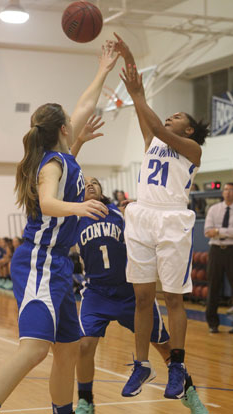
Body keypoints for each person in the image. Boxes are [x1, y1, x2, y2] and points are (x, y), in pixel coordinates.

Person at [0, 43, 120, 414]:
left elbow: (84, 104)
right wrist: (80, 206)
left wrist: (103, 69)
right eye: (72, 120)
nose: (77, 118)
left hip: (60, 267)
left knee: (67, 348)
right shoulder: (51, 164)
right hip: (40, 260)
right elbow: (49, 201)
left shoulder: (65, 157)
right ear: (63, 128)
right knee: (34, 349)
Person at [111, 33, 209, 404]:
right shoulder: (154, 140)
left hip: (171, 220)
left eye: (177, 117)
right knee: (141, 298)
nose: (170, 118)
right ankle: (141, 363)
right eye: (168, 115)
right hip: (141, 217)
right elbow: (148, 118)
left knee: (174, 299)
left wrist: (140, 97)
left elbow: (155, 124)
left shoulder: (192, 149)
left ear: (188, 130)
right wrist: (130, 53)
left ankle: (178, 366)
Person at [74, 176, 208, 414]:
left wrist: (137, 210)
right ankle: (86, 400)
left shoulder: (120, 213)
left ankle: (189, 393)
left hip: (130, 292)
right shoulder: (74, 219)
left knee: (165, 347)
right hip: (96, 293)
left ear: (103, 190)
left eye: (95, 182)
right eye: (85, 184)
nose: (90, 185)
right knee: (84, 345)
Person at [204, 182, 233, 334]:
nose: (227, 192)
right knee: (213, 287)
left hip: (231, 250)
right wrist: (227, 231)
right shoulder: (214, 209)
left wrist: (218, 230)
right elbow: (207, 231)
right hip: (215, 250)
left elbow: (214, 231)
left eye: (231, 190)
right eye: (226, 190)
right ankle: (212, 323)